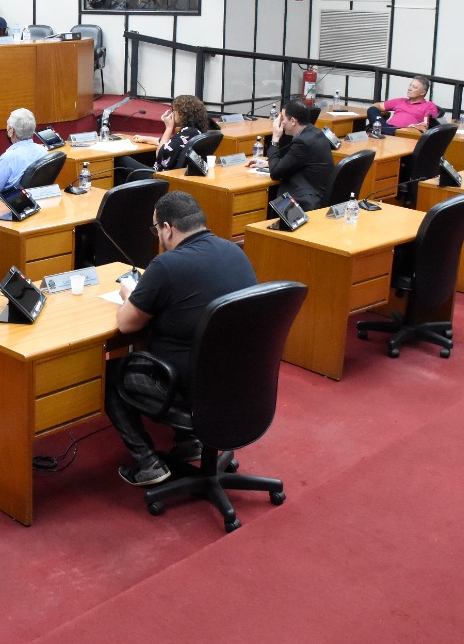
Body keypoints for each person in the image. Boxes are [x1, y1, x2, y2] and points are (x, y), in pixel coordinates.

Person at [107, 190, 258, 486]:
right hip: (239, 380)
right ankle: (191, 442)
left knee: (112, 373)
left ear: (168, 228)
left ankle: (148, 462)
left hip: (186, 384)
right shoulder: (235, 252)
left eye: (156, 228)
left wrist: (130, 295)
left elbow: (126, 324)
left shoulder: (167, 266)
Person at [247, 99, 335, 211]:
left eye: (282, 118)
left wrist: (275, 139)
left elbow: (275, 173)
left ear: (293, 121)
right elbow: (294, 161)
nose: (281, 122)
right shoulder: (316, 133)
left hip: (305, 203)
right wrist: (268, 163)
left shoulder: (302, 142)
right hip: (318, 196)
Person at [120, 95, 215, 176]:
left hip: (161, 176)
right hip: (176, 173)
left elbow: (160, 154)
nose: (173, 113)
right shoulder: (195, 131)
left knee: (120, 159)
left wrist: (169, 128)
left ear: (182, 114)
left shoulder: (185, 134)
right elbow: (169, 143)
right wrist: (145, 138)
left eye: (175, 111)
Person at [366, 75, 440, 134]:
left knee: (381, 129)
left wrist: (414, 127)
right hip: (388, 127)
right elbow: (378, 105)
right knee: (372, 109)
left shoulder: (429, 105)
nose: (410, 89)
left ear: (423, 92)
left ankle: (380, 131)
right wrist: (382, 115)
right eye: (410, 85)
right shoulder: (400, 101)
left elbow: (425, 126)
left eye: (414, 87)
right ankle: (382, 130)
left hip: (404, 133)